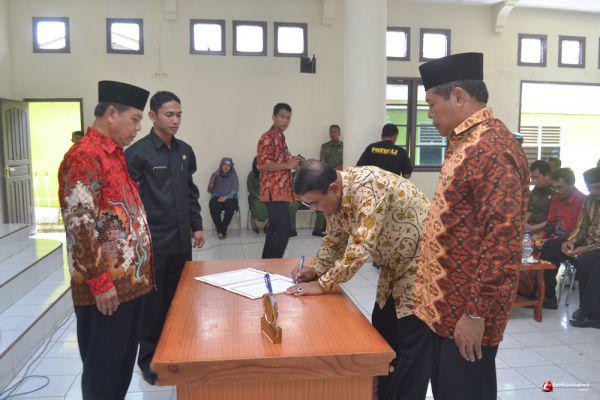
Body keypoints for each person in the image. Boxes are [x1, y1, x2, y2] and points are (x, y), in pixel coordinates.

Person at [414, 53, 530, 400]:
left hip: (467, 315)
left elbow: (503, 242)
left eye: (431, 104)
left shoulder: (493, 148)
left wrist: (476, 314)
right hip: (445, 309)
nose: (429, 114)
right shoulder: (466, 141)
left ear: (458, 97)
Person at [287, 160, 431, 400]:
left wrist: (323, 284)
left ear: (333, 188)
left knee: (412, 342)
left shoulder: (369, 187)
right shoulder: (336, 198)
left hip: (421, 264)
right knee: (383, 334)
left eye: (314, 203)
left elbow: (360, 247)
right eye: (307, 204)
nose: (313, 209)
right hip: (394, 265)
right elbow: (334, 237)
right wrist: (316, 269)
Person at [58, 80, 153, 400]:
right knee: (103, 375)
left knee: (120, 371)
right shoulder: (85, 156)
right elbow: (79, 226)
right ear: (112, 114)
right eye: (135, 119)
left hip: (128, 287)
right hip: (106, 292)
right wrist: (100, 283)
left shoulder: (113, 154)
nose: (138, 128)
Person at [125, 90, 205, 385]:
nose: (175, 120)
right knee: (152, 305)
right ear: (152, 116)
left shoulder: (185, 151)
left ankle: (177, 352)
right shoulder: (137, 154)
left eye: (179, 114)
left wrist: (196, 225)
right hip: (153, 244)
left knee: (179, 299)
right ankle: (149, 360)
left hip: (181, 242)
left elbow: (190, 192)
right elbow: (130, 202)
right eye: (169, 114)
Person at [256, 103, 302, 258]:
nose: (286, 120)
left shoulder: (280, 137)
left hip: (281, 192)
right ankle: (274, 265)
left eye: (288, 117)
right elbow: (262, 164)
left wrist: (295, 161)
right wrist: (287, 165)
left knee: (275, 229)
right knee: (284, 229)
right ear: (274, 117)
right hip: (273, 192)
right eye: (282, 117)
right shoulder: (267, 137)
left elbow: (284, 160)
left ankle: (267, 264)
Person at [536, 168, 585, 309]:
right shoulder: (556, 198)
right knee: (533, 244)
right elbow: (551, 222)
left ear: (571, 184)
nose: (557, 191)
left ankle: (548, 297)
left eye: (560, 187)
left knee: (549, 248)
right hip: (556, 238)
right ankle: (531, 292)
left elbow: (580, 230)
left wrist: (550, 240)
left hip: (575, 241)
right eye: (554, 187)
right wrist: (541, 235)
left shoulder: (582, 200)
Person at [567, 167, 600, 328]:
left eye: (597, 188)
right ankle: (585, 308)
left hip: (595, 247)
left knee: (596, 265)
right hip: (592, 246)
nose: (593, 192)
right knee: (584, 262)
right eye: (589, 188)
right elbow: (581, 226)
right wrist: (571, 241)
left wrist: (587, 248)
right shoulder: (589, 200)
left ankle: (595, 315)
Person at [314, 124, 343, 236]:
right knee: (323, 200)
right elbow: (322, 162)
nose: (333, 134)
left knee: (338, 202)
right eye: (331, 132)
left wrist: (334, 171)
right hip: (326, 177)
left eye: (335, 132)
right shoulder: (324, 147)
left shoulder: (345, 146)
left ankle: (335, 227)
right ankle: (318, 228)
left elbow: (345, 161)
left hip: (340, 177)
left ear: (339, 133)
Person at [208, 157, 239, 239]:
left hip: (230, 197)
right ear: (221, 165)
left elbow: (235, 189)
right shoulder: (215, 174)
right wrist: (212, 181)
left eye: (228, 165)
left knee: (231, 207)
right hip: (217, 197)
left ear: (231, 167)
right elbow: (210, 190)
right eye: (224, 165)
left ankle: (222, 231)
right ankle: (221, 230)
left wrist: (226, 197)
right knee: (213, 206)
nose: (226, 167)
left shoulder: (233, 175)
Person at [525, 160, 553, 233]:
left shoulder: (557, 191)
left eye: (536, 178)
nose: (534, 181)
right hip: (529, 228)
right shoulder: (536, 190)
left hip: (545, 231)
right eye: (533, 178)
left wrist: (531, 228)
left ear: (547, 175)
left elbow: (553, 221)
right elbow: (528, 211)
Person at [247, 157, 268, 234]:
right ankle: (253, 222)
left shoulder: (267, 174)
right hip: (255, 196)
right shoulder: (251, 174)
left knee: (272, 205)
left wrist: (266, 195)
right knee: (257, 205)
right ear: (255, 165)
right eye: (258, 164)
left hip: (266, 195)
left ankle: (269, 223)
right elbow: (250, 188)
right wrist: (258, 196)